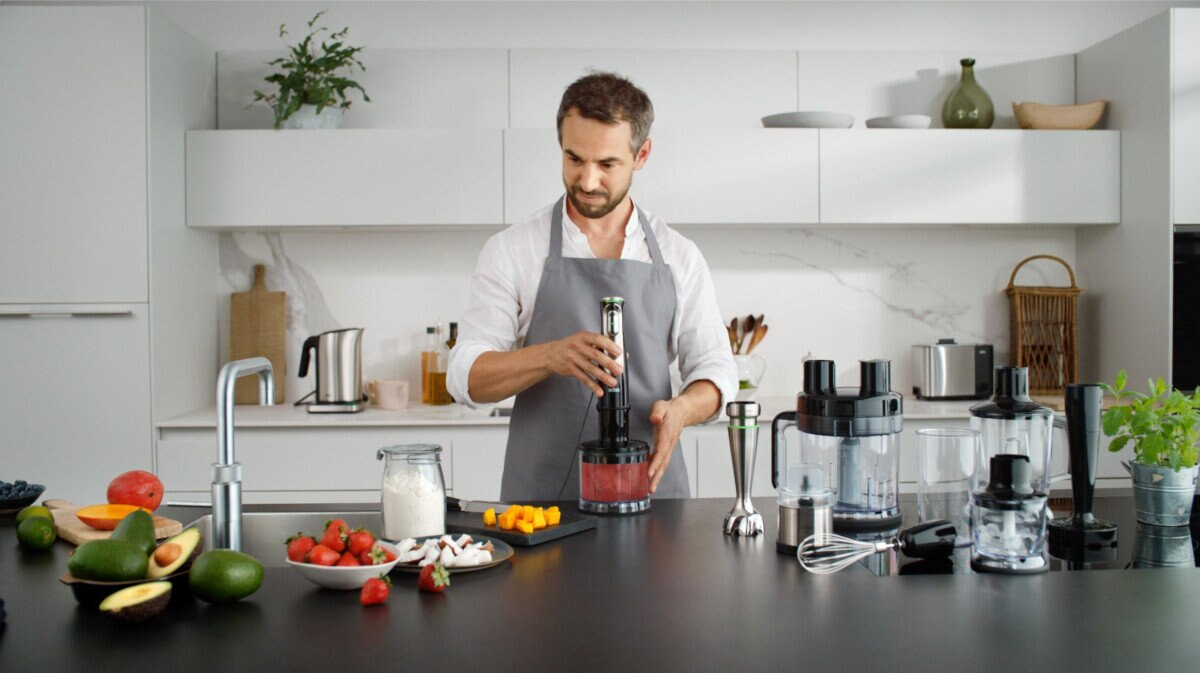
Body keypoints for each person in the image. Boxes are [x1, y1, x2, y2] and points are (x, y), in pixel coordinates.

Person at [446, 71, 737, 501]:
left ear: (642, 155)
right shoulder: (512, 249)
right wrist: (550, 355)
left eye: (607, 164)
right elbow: (464, 376)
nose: (587, 181)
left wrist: (683, 410)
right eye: (574, 159)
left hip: (651, 499)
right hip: (542, 506)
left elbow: (716, 368)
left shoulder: (680, 256)